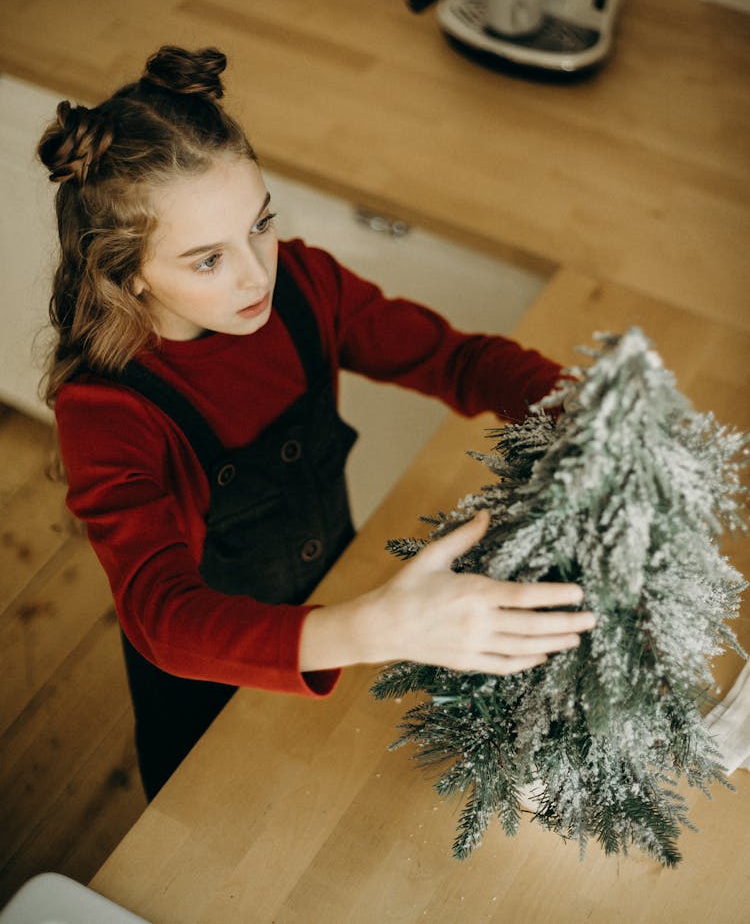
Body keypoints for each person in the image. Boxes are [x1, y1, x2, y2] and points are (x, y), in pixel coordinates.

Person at [38, 46, 596, 800]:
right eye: (207, 260)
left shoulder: (304, 283)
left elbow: (457, 361)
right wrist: (375, 629)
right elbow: (163, 618)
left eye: (260, 224)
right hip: (210, 695)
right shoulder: (108, 410)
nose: (256, 273)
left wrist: (585, 410)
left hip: (343, 612)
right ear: (127, 271)